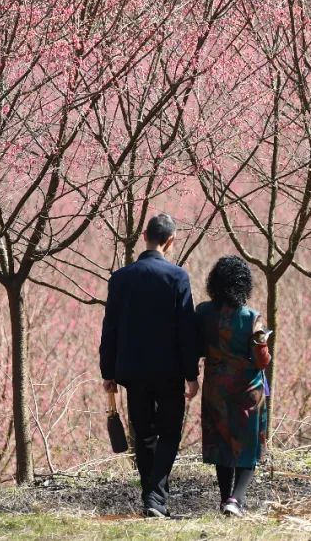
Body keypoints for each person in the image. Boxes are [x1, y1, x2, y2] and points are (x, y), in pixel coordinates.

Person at [99, 213, 199, 518]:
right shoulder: (177, 277)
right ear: (170, 241)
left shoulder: (121, 278)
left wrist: (108, 373)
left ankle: (152, 500)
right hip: (169, 371)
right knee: (169, 433)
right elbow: (187, 329)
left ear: (144, 236)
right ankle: (155, 499)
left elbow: (110, 328)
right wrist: (191, 374)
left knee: (142, 434)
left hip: (132, 371)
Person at [196, 256, 271, 517]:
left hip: (215, 387)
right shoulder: (252, 318)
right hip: (247, 391)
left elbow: (196, 347)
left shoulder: (203, 312)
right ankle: (236, 500)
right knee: (247, 445)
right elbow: (262, 361)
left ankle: (223, 499)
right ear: (244, 285)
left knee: (221, 443)